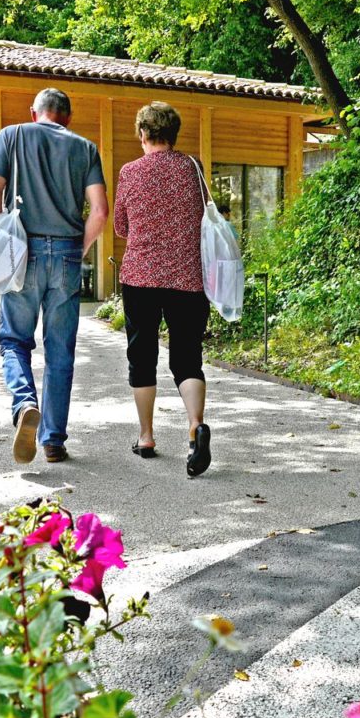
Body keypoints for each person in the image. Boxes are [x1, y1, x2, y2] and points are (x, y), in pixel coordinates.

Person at [0, 88, 108, 464]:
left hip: (24, 253)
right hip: (67, 253)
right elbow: (99, 212)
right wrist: (77, 250)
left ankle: (24, 404)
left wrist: (3, 247)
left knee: (14, 340)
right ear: (67, 117)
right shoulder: (85, 148)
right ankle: (53, 441)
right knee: (60, 350)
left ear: (34, 112)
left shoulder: (11, 135)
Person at [114, 101, 212, 477]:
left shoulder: (130, 173)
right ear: (174, 134)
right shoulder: (192, 168)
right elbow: (206, 215)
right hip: (188, 276)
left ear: (143, 134)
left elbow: (121, 227)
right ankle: (195, 427)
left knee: (142, 356)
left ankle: (147, 436)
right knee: (187, 356)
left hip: (141, 277)